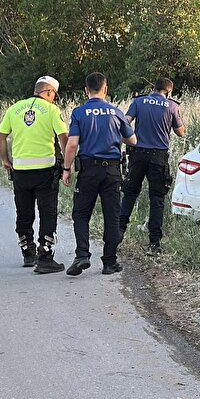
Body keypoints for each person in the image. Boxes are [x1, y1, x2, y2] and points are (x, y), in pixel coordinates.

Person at [61, 72, 136, 276]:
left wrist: (66, 169)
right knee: (112, 215)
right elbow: (133, 140)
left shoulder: (79, 113)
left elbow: (72, 144)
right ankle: (110, 262)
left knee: (81, 213)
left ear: (86, 90)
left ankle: (82, 255)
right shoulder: (116, 112)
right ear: (106, 89)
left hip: (88, 169)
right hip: (112, 170)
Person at [0, 75, 68, 272]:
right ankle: (45, 256)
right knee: (47, 212)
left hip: (20, 171)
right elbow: (63, 137)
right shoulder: (52, 110)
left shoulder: (15, 108)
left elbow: (0, 136)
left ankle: (28, 252)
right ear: (50, 92)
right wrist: (67, 164)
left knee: (24, 212)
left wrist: (5, 160)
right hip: (45, 171)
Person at [118, 77, 185, 254]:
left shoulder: (138, 101)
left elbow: (125, 121)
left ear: (153, 88)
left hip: (137, 154)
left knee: (130, 193)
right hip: (158, 157)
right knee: (157, 198)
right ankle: (154, 243)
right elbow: (181, 132)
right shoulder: (172, 106)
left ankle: (117, 234)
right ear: (169, 91)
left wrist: (127, 139)